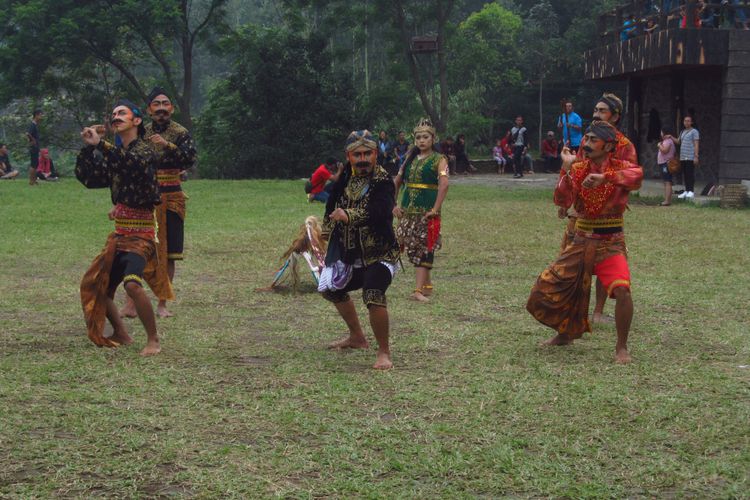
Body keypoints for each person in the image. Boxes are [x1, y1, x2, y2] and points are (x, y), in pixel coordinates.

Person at [527, 121, 643, 364]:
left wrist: (605, 178)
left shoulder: (621, 167)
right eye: (586, 139)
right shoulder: (578, 168)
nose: (586, 144)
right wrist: (565, 169)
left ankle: (621, 347)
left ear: (609, 145)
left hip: (610, 242)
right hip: (580, 240)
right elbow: (561, 198)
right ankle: (565, 334)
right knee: (546, 289)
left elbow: (637, 176)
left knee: (622, 290)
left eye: (592, 140)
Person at [75, 99, 162, 356]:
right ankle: (122, 333)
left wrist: (102, 144)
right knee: (96, 285)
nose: (116, 116)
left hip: (142, 234)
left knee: (132, 285)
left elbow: (132, 164)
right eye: (113, 114)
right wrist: (89, 148)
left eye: (122, 113)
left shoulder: (146, 149)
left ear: (137, 120)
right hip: (120, 233)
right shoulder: (116, 156)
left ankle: (153, 340)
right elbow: (89, 178)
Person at [318, 130, 400, 370]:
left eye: (367, 153)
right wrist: (326, 230)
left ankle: (384, 352)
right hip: (351, 255)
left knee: (373, 294)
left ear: (375, 154)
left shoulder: (383, 180)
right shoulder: (345, 177)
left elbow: (380, 212)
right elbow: (332, 202)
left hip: (380, 254)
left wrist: (348, 215)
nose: (363, 158)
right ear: (349, 156)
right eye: (357, 154)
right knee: (331, 289)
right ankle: (357, 337)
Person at [119, 87, 197, 319]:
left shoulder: (181, 133)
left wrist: (167, 145)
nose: (161, 108)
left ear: (171, 108)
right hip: (145, 197)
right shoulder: (141, 133)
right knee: (138, 250)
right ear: (149, 110)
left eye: (165, 103)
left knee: (169, 253)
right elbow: (130, 163)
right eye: (156, 104)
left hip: (172, 198)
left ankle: (163, 304)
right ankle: (131, 304)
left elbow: (189, 158)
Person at [394, 118, 450, 303]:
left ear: (433, 138)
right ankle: (426, 286)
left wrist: (435, 208)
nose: (421, 141)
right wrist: (394, 204)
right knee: (408, 245)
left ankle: (418, 290)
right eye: (418, 137)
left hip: (427, 212)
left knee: (424, 248)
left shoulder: (439, 160)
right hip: (408, 211)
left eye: (425, 137)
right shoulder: (409, 159)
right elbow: (397, 182)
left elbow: (444, 184)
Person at [674, 116, 700, 200]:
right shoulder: (682, 131)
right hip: (683, 156)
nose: (686, 122)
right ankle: (686, 190)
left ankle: (691, 191)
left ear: (691, 122)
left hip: (690, 156)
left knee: (690, 174)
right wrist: (670, 137)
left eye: (688, 121)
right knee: (685, 174)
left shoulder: (694, 131)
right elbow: (678, 141)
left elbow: (696, 144)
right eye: (685, 121)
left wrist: (696, 156)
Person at [658, 127, 677, 206]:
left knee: (667, 182)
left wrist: (659, 145)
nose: (660, 133)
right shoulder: (667, 141)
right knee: (666, 182)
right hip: (664, 163)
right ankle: (667, 200)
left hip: (666, 164)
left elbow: (665, 150)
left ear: (664, 132)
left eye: (661, 132)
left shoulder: (668, 141)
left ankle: (667, 201)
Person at [26, 109, 43, 185]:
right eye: (40, 115)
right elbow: (28, 134)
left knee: (35, 164)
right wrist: (33, 140)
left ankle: (34, 179)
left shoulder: (35, 124)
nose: (41, 116)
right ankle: (31, 181)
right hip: (34, 147)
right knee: (33, 164)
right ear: (36, 115)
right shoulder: (32, 124)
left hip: (36, 147)